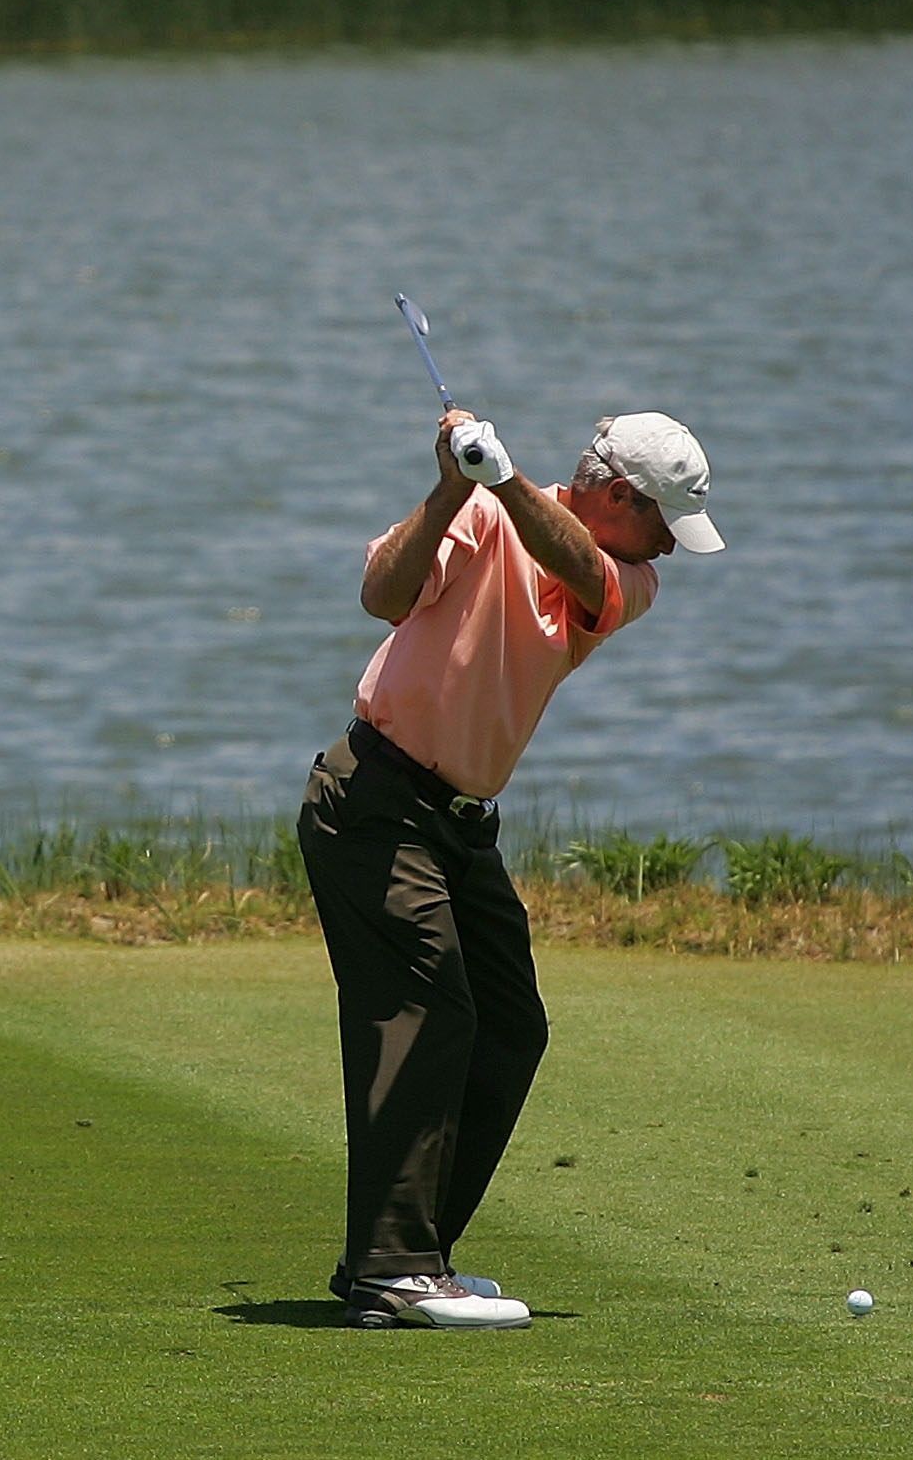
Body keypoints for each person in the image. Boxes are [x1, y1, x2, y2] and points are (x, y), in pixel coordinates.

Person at [300, 408, 722, 1330]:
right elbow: (382, 594)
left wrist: (502, 479)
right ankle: (394, 1268)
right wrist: (454, 484)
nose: (673, 548)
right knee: (430, 1008)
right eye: (665, 522)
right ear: (620, 496)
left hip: (459, 825)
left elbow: (580, 567)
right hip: (373, 799)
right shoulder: (482, 514)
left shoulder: (625, 576)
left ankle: (414, 1252)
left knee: (509, 1023)